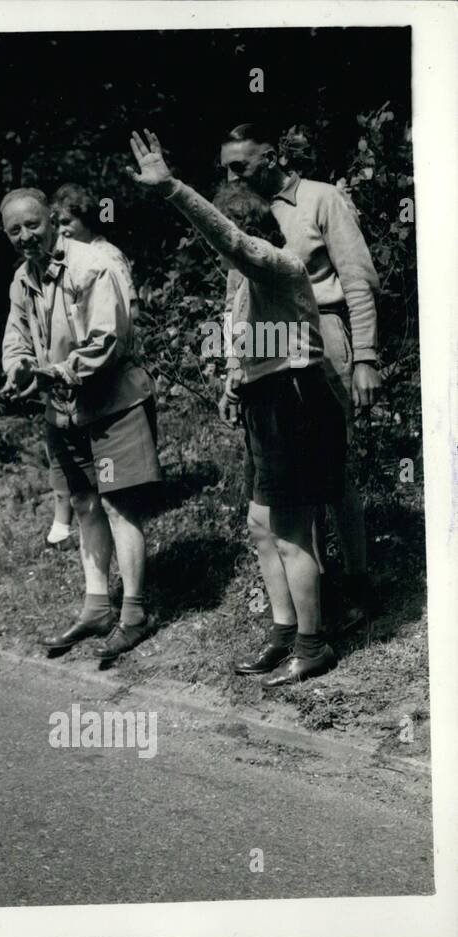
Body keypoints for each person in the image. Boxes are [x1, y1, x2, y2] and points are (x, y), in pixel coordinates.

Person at [129, 129, 343, 686]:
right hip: (264, 397)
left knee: (292, 529)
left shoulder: (279, 262)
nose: (222, 250)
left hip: (294, 397)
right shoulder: (244, 282)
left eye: (231, 235)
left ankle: (313, 645)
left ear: (253, 230)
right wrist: (232, 382)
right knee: (259, 523)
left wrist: (173, 188)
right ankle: (283, 632)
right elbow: (242, 333)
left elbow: (228, 239)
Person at [219, 122, 380, 633]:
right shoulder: (242, 219)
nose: (232, 176)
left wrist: (366, 358)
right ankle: (316, 593)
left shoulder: (321, 199)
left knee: (333, 468)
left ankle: (356, 579)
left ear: (271, 156)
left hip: (321, 339)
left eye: (239, 166)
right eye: (225, 169)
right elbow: (234, 298)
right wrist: (232, 369)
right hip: (264, 361)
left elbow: (356, 278)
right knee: (286, 483)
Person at [0, 187, 162, 660]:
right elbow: (16, 338)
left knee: (118, 506)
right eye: (15, 230)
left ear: (51, 219)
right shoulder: (21, 280)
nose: (26, 236)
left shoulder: (91, 264)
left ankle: (134, 613)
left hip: (113, 404)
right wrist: (17, 369)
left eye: (32, 225)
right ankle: (96, 608)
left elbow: (107, 340)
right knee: (85, 503)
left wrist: (51, 373)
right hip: (64, 411)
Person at [46, 183, 143, 547]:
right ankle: (72, 515)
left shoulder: (104, 255)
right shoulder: (64, 258)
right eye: (56, 224)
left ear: (86, 219)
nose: (62, 231)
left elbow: (129, 310)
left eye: (68, 222)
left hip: (111, 363)